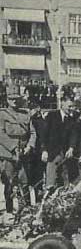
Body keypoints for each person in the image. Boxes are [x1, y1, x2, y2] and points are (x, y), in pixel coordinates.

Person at [0, 85, 36, 213]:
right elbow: (1, 134)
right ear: (7, 99)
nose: (14, 101)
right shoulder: (2, 114)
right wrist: (14, 147)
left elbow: (32, 132)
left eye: (16, 99)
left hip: (24, 153)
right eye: (11, 99)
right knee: (9, 184)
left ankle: (24, 210)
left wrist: (29, 146)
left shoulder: (25, 114)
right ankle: (9, 211)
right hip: (9, 155)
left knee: (25, 183)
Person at [41, 96, 78, 187]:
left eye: (73, 106)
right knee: (51, 182)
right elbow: (44, 135)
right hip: (52, 154)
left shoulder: (72, 119)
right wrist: (44, 150)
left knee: (64, 183)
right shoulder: (51, 116)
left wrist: (71, 148)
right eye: (69, 106)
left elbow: (74, 135)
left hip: (65, 156)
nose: (71, 109)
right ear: (62, 103)